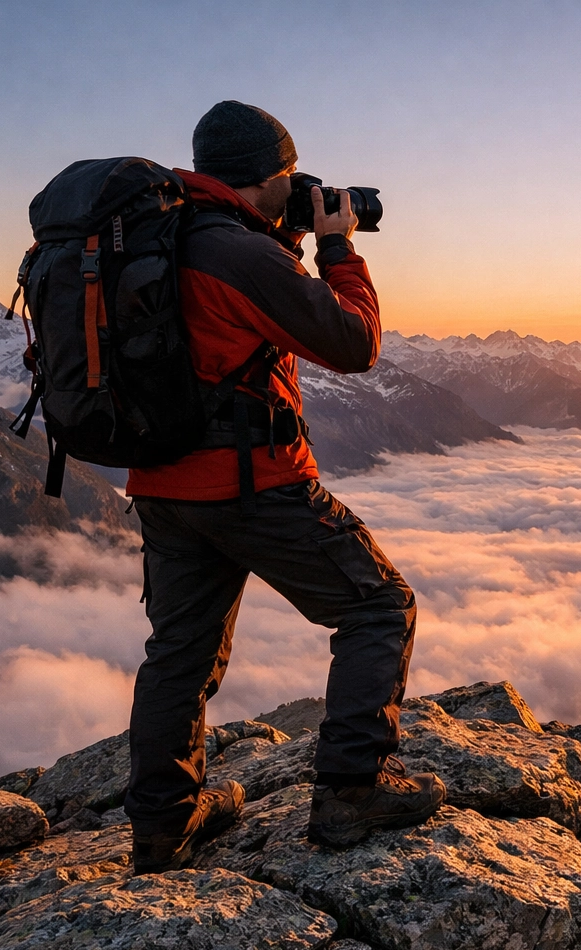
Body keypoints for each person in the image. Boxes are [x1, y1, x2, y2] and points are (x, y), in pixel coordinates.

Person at [123, 100, 444, 872]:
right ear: (270, 176)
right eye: (291, 178)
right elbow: (353, 343)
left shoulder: (168, 235)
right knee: (376, 606)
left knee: (179, 656)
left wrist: (283, 236)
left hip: (162, 487)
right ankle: (351, 792)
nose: (300, 190)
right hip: (250, 484)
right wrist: (337, 250)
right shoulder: (237, 251)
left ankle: (162, 831)